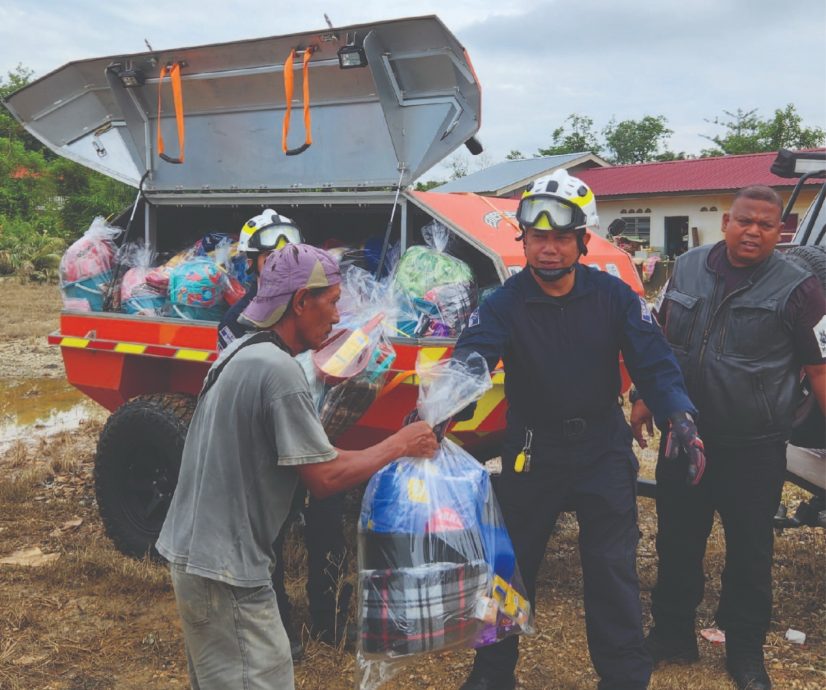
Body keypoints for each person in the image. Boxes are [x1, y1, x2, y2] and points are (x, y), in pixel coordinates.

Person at [452, 169, 700, 690]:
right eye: (538, 236)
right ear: (523, 238)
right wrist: (438, 407)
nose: (548, 248)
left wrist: (678, 412)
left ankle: (625, 678)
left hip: (602, 450)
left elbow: (654, 361)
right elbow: (471, 362)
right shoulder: (502, 303)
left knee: (612, 572)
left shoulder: (615, 297)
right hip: (529, 452)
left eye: (561, 237)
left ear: (582, 240)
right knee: (509, 572)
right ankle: (492, 677)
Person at [157, 244, 439, 690]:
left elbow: (305, 457)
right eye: (330, 301)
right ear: (300, 302)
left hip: (200, 558)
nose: (337, 313)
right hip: (226, 571)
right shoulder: (278, 371)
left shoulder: (245, 350)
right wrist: (399, 444)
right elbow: (324, 478)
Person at [635, 186, 826, 690]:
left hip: (755, 444)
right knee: (676, 541)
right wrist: (641, 395)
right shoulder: (689, 265)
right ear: (726, 221)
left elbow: (819, 369)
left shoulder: (800, 287)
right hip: (685, 434)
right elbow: (661, 334)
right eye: (745, 221)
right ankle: (673, 634)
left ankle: (744, 651)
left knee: (749, 551)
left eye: (766, 225)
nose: (754, 231)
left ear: (778, 232)